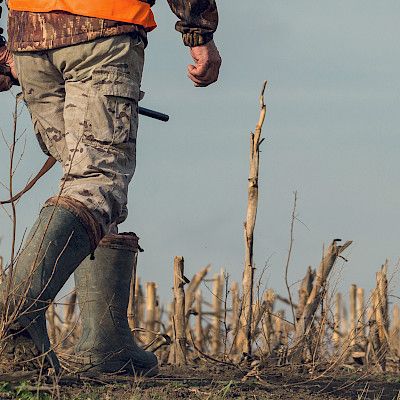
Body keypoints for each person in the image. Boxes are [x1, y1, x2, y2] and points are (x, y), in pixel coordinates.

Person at [0, 0, 221, 376]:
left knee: (83, 179)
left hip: (31, 38)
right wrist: (199, 32)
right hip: (104, 28)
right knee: (94, 183)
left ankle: (106, 342)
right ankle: (15, 317)